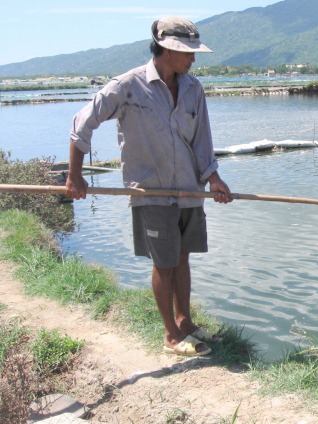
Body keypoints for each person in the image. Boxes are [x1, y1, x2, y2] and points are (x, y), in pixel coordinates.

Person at [66, 17, 231, 357]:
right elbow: (83, 123)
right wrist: (74, 176)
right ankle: (170, 334)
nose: (193, 59)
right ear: (168, 49)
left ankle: (185, 322)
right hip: (151, 191)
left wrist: (213, 178)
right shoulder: (128, 86)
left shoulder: (193, 88)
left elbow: (202, 141)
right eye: (188, 53)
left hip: (188, 190)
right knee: (164, 262)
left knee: (183, 258)